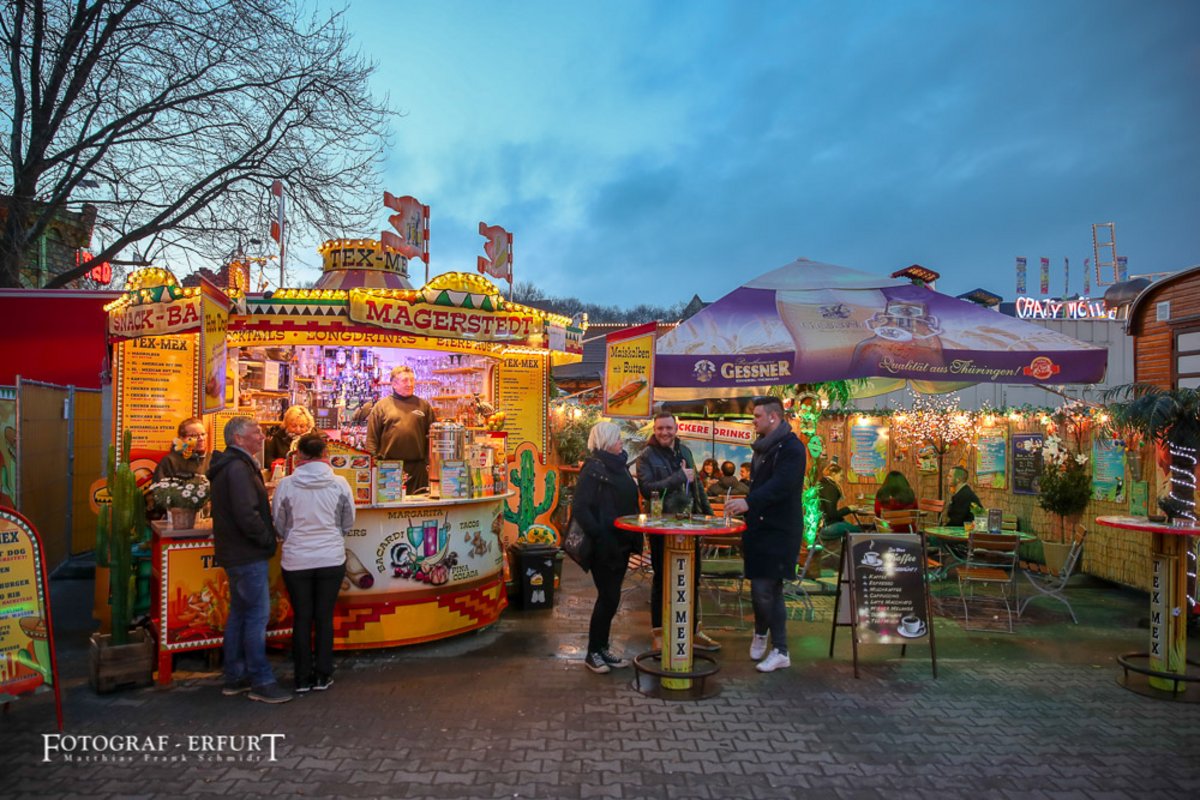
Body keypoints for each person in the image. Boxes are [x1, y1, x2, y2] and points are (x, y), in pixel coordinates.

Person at [206, 416, 290, 703]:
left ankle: (235, 676)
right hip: (247, 552)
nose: (262, 437)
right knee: (256, 616)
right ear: (238, 438)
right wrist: (266, 539)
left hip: (236, 552)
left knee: (240, 614)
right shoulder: (238, 469)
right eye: (256, 432)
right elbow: (247, 513)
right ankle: (261, 680)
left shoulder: (232, 465)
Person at [724, 397, 805, 673]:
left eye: (757, 416)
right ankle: (761, 632)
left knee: (766, 589)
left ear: (773, 417)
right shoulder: (762, 447)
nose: (753, 421)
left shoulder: (792, 448)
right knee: (762, 589)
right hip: (758, 527)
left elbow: (782, 485)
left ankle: (781, 650)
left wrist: (749, 502)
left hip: (780, 529)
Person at [273, 433, 354, 693]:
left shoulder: (286, 485)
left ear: (299, 455)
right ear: (325, 454)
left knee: (302, 617)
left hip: (296, 559)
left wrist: (292, 537)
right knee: (323, 616)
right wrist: (333, 536)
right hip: (331, 557)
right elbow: (348, 520)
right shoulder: (340, 483)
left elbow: (278, 522)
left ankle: (301, 677)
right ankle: (323, 674)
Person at [635, 412, 721, 653]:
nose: (664, 432)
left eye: (668, 428)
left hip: (690, 525)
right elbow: (646, 489)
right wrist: (678, 477)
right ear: (654, 429)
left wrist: (709, 516)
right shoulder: (646, 456)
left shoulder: (685, 452)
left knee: (692, 578)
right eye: (660, 428)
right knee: (662, 578)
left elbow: (697, 487)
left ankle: (692, 632)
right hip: (661, 527)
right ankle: (659, 633)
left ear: (676, 428)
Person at [572, 421, 641, 674]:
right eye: (617, 438)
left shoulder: (619, 465)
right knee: (608, 597)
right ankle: (593, 652)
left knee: (612, 598)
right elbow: (580, 507)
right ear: (605, 441)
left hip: (622, 541)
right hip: (605, 545)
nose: (621, 441)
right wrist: (600, 534)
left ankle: (602, 648)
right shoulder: (594, 468)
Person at [366, 365, 436, 493]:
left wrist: (429, 463)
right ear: (394, 384)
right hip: (389, 468)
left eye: (412, 380)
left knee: (419, 504)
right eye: (405, 380)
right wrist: (374, 465)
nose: (409, 384)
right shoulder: (381, 407)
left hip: (418, 469)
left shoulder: (424, 406)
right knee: (391, 504)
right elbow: (371, 440)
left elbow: (433, 437)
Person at [817, 463, 859, 540]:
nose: (842, 479)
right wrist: (849, 509)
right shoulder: (830, 488)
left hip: (819, 526)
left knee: (847, 525)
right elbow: (832, 515)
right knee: (859, 531)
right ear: (833, 474)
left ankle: (844, 547)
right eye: (841, 476)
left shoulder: (822, 484)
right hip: (827, 526)